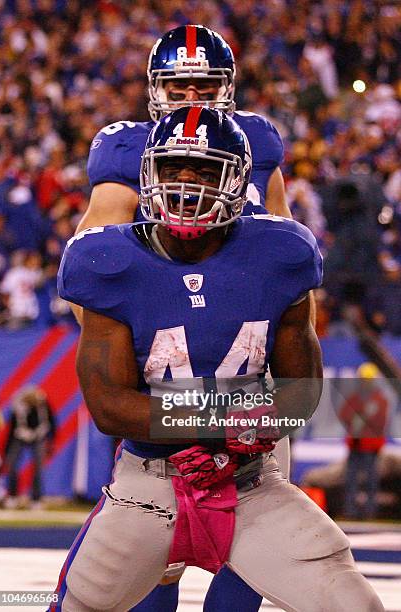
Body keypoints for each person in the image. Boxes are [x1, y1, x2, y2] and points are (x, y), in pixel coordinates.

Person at [53, 108, 383, 612]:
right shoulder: (108, 260)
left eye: (206, 171)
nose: (187, 185)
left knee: (353, 605)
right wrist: (226, 417)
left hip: (250, 482)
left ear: (238, 181)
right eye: (174, 169)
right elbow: (110, 407)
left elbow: (300, 394)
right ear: (148, 175)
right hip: (150, 485)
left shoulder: (281, 253)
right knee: (79, 605)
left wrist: (238, 421)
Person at [75, 25, 294, 612]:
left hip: (249, 372)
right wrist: (145, 343)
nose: (192, 94)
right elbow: (90, 275)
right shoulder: (129, 151)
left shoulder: (256, 142)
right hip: (167, 369)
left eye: (205, 81)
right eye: (179, 82)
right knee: (156, 549)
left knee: (257, 539)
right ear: (154, 88)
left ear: (227, 86)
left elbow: (288, 248)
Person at [340, 362, 388, 519]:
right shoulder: (356, 398)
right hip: (355, 444)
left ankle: (370, 511)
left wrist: (365, 418)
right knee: (351, 479)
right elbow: (344, 415)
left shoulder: (379, 399)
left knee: (370, 480)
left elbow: (381, 422)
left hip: (370, 446)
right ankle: (350, 510)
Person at [4, 385, 55, 509]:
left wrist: (48, 440)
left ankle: (36, 499)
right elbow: (13, 428)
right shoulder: (18, 404)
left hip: (39, 435)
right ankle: (12, 496)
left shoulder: (43, 403)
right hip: (20, 435)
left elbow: (50, 423)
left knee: (39, 467)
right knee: (12, 464)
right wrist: (9, 448)